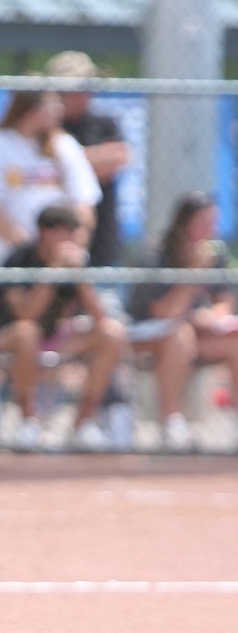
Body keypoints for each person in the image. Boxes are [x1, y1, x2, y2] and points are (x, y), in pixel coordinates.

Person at [0, 205, 128, 452]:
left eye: (73, 234)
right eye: (64, 233)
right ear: (45, 232)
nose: (71, 241)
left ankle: (82, 425)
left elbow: (99, 316)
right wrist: (52, 271)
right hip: (9, 338)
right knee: (26, 332)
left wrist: (79, 277)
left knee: (111, 333)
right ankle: (29, 423)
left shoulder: (76, 262)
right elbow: (25, 314)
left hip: (55, 338)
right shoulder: (19, 258)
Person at [128, 191, 238, 451]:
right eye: (204, 222)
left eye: (214, 222)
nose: (211, 229)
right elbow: (162, 312)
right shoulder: (156, 252)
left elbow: (225, 302)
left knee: (234, 342)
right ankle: (172, 425)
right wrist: (193, 273)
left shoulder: (214, 251)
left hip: (190, 331)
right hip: (148, 335)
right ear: (184, 223)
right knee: (180, 334)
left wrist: (210, 317)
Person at [0, 89, 101, 267]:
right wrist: (31, 253)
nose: (60, 110)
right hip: (13, 259)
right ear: (31, 107)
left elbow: (84, 202)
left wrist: (72, 247)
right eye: (53, 104)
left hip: (64, 259)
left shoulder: (64, 144)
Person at [43, 50, 132, 267]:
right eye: (78, 88)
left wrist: (68, 163)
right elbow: (43, 168)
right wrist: (89, 161)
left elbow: (119, 158)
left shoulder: (103, 123)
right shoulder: (46, 126)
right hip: (51, 244)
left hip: (103, 240)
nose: (86, 94)